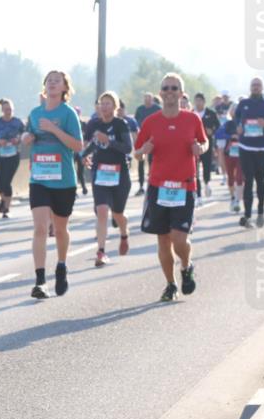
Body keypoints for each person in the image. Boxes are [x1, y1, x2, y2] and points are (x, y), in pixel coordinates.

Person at [134, 73, 207, 302]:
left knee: (179, 238)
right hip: (158, 187)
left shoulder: (192, 119)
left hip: (185, 186)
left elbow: (203, 142)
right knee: (163, 240)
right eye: (165, 88)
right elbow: (136, 153)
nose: (169, 91)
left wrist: (201, 149)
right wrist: (143, 149)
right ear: (160, 93)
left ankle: (186, 265)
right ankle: (170, 284)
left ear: (181, 93)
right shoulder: (151, 122)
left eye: (174, 88)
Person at [21, 70, 84, 299]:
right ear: (44, 86)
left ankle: (61, 265)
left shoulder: (68, 114)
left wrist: (54, 129)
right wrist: (26, 139)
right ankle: (39, 281)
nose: (53, 84)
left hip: (63, 180)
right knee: (39, 228)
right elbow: (28, 135)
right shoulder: (35, 113)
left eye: (58, 81)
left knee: (59, 229)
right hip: (39, 178)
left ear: (65, 88)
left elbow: (77, 146)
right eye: (49, 81)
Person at [82, 91, 132, 266]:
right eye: (102, 103)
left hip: (120, 175)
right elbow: (88, 145)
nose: (104, 107)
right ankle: (101, 252)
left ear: (115, 106)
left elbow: (127, 148)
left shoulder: (120, 124)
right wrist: (82, 155)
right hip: (100, 173)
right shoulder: (93, 124)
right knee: (102, 211)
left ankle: (124, 234)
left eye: (108, 103)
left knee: (118, 214)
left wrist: (109, 141)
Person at [234, 77, 264, 228]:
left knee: (260, 181)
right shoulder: (243, 103)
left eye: (258, 85)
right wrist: (238, 127)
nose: (255, 87)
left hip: (262, 148)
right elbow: (236, 118)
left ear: (262, 88)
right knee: (248, 180)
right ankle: (247, 215)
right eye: (253, 85)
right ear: (250, 87)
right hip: (246, 147)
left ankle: (260, 212)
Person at [0, 98, 25, 219]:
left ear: (13, 110)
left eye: (10, 109)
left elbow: (26, 135)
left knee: (7, 182)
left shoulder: (18, 122)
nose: (8, 111)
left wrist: (19, 139)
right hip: (0, 155)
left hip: (13, 155)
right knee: (0, 185)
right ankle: (3, 199)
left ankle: (6, 208)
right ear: (2, 110)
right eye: (5, 109)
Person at [193, 93, 220, 198]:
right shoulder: (191, 113)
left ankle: (207, 183)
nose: (198, 103)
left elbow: (217, 126)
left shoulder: (211, 113)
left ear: (204, 102)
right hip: (194, 145)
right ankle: (197, 193)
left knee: (206, 165)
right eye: (196, 100)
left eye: (200, 100)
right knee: (195, 169)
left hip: (207, 143)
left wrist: (212, 130)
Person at [134, 92, 161, 195]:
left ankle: (152, 183)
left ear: (152, 99)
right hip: (142, 137)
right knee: (140, 160)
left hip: (154, 138)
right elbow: (136, 123)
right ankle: (141, 186)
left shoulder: (157, 109)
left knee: (152, 161)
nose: (147, 100)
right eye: (145, 98)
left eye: (149, 98)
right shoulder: (140, 109)